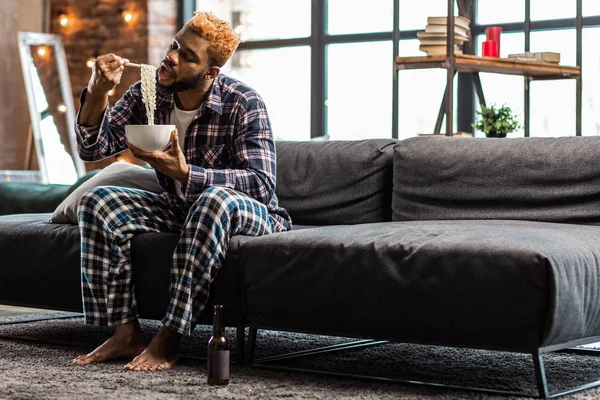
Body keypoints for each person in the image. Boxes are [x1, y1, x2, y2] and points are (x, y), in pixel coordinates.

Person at [71, 11, 291, 372]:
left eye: (187, 56)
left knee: (212, 199)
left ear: (211, 73)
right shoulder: (150, 92)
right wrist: (97, 92)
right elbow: (92, 150)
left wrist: (188, 174)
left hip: (248, 213)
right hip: (179, 208)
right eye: (174, 46)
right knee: (97, 201)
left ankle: (170, 337)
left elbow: (261, 185)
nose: (171, 57)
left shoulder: (243, 102)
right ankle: (126, 334)